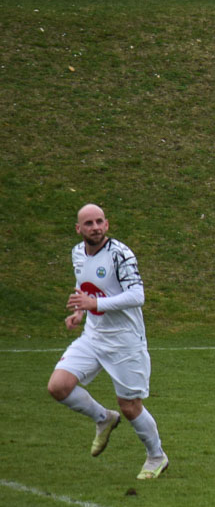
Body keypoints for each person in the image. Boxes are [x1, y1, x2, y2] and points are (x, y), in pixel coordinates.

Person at [46, 204, 169, 480]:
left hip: (125, 341)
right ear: (78, 229)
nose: (95, 227)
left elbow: (137, 296)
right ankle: (104, 418)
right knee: (58, 386)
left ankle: (156, 456)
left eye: (99, 222)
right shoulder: (78, 253)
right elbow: (84, 285)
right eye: (89, 223)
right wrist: (80, 312)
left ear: (107, 224)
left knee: (130, 406)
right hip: (93, 336)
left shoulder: (120, 254)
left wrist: (95, 304)